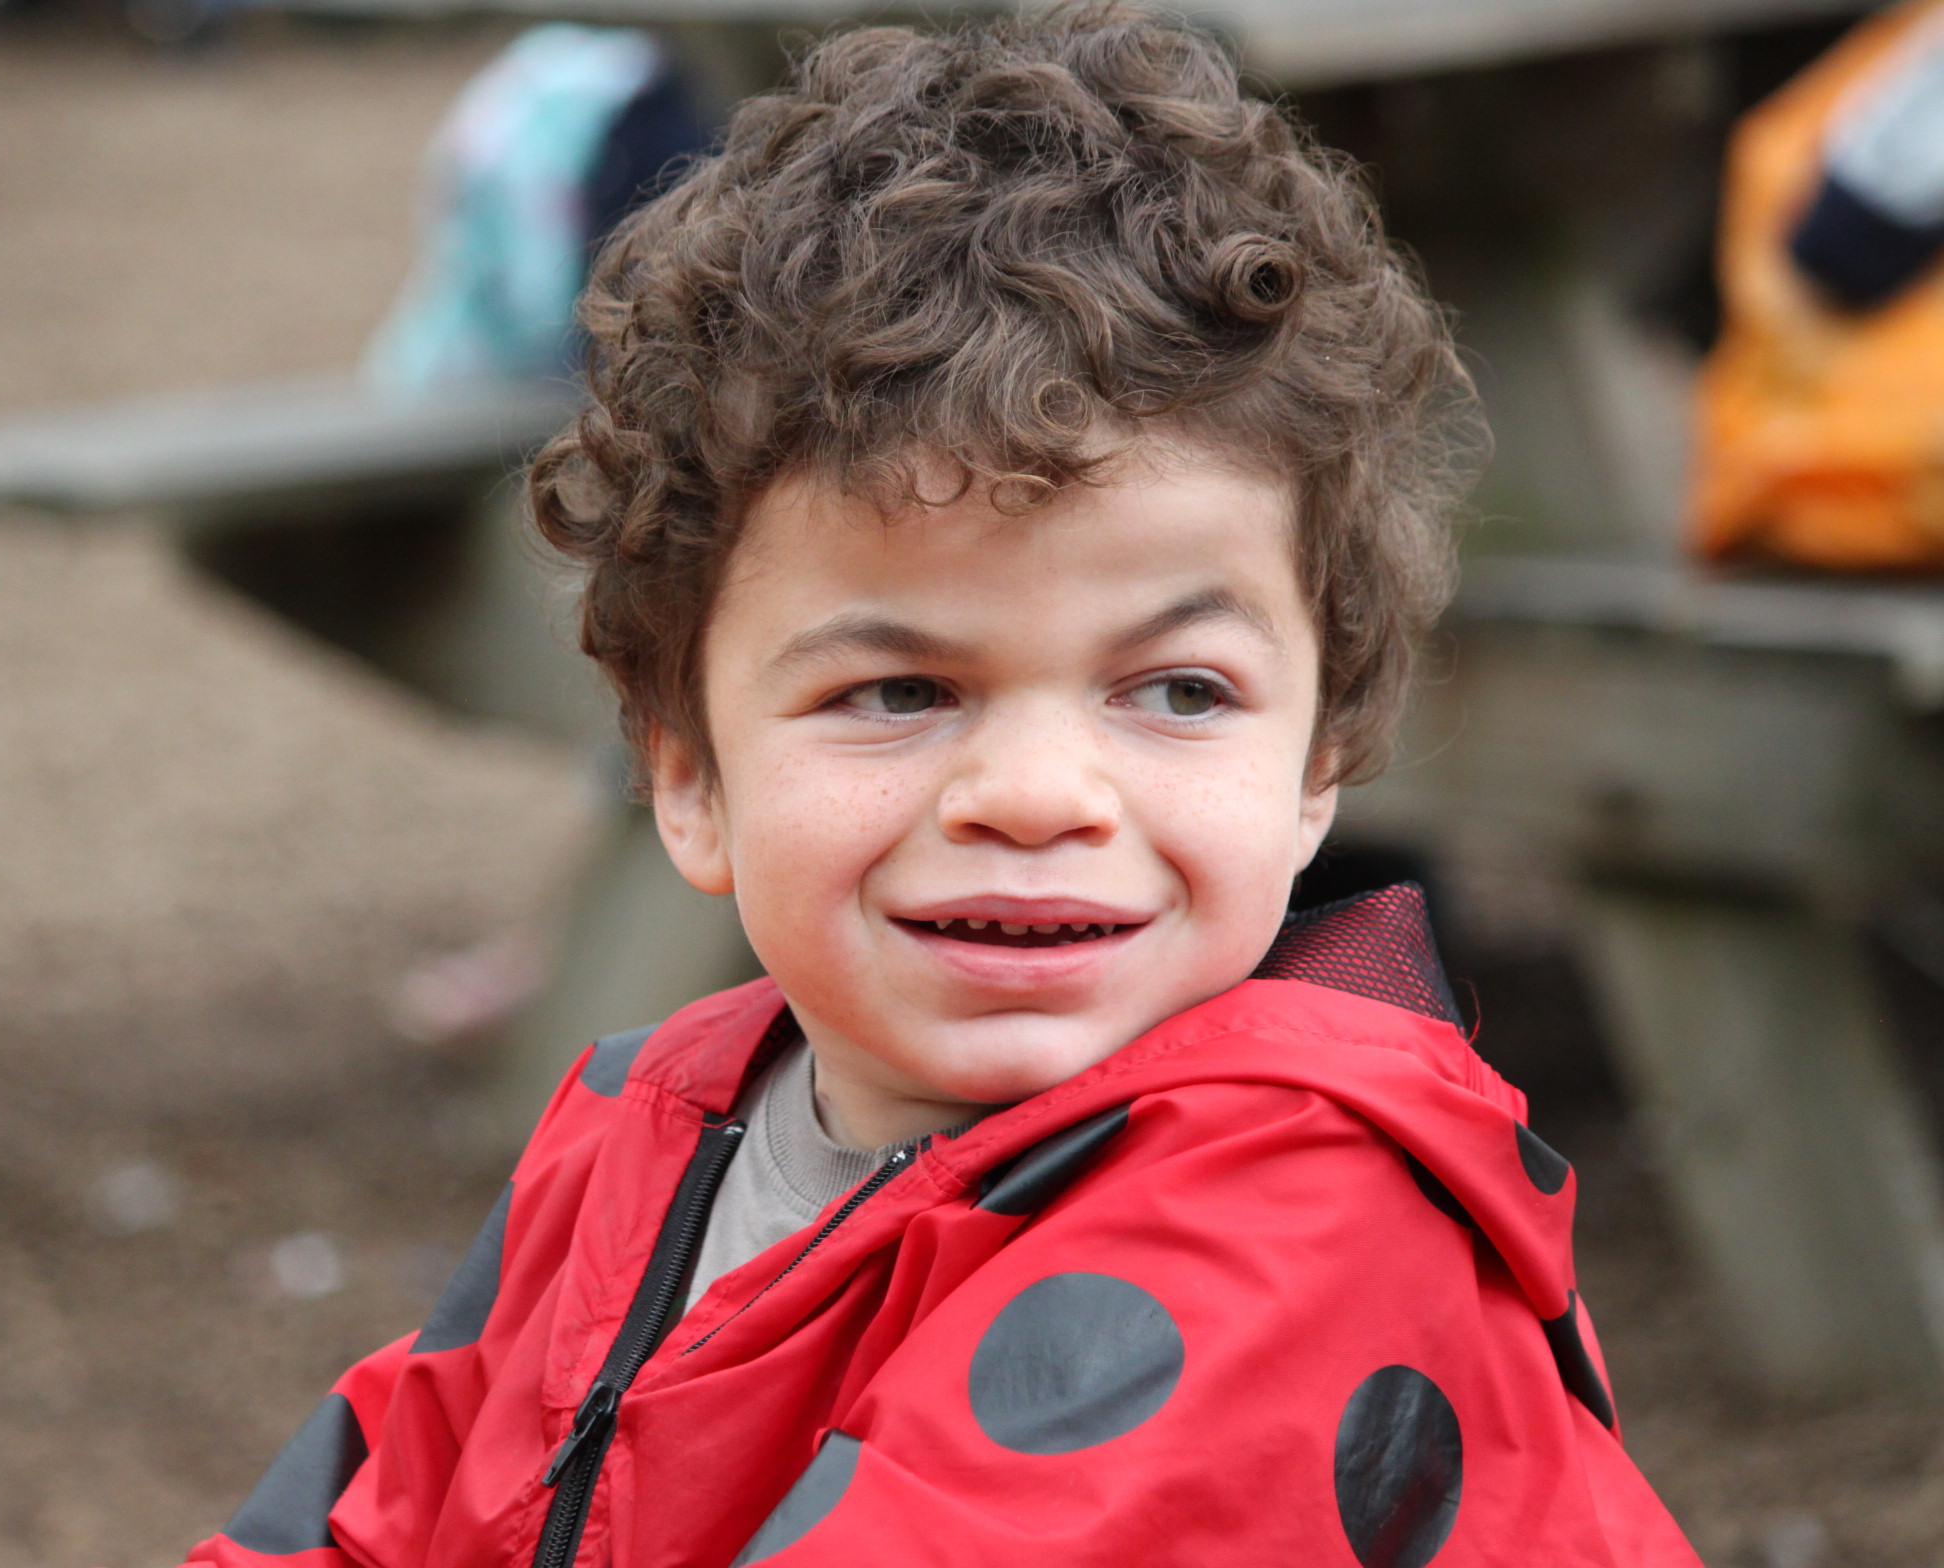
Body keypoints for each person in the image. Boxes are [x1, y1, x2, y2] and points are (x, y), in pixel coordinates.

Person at [185, 7, 1700, 1565]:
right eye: (900, 691)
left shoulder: (1296, 1217)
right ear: (689, 776)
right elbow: (386, 1507)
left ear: (1315, 768)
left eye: (1177, 692)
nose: (1040, 796)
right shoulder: (645, 1121)